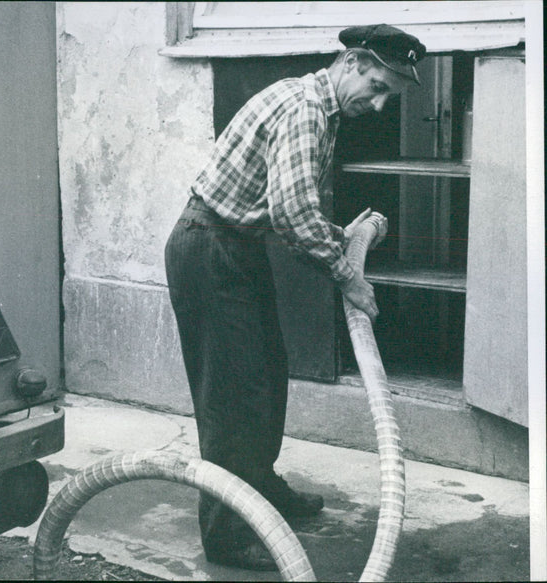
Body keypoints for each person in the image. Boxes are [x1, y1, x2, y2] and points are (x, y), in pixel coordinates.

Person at [164, 24, 426, 571]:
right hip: (211, 247)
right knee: (232, 399)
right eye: (377, 86)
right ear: (351, 61)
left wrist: (342, 238)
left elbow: (290, 204)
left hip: (234, 244)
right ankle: (227, 535)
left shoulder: (315, 104)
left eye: (389, 97)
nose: (379, 106)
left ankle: (258, 490)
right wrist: (348, 275)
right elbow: (290, 216)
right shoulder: (307, 111)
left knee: (263, 376)